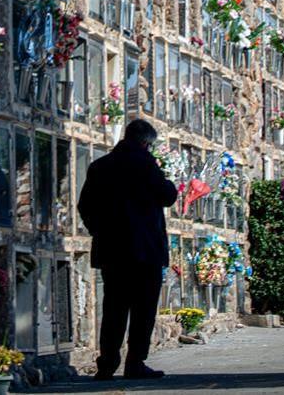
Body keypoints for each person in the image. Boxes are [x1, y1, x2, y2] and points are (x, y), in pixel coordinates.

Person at [77, 119, 178, 380]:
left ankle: (107, 364)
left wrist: (99, 231)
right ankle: (135, 363)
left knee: (113, 309)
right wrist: (168, 182)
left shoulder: (100, 166)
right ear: (146, 142)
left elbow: (85, 206)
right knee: (143, 310)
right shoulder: (145, 164)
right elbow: (167, 196)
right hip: (145, 252)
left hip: (112, 251)